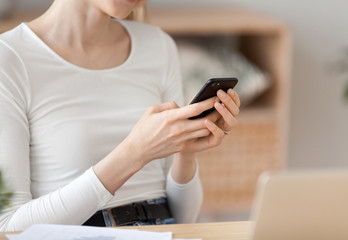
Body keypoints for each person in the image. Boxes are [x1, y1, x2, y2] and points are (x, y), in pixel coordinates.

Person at [0, 0, 240, 231]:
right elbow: (9, 227)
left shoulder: (158, 45)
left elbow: (183, 219)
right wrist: (134, 154)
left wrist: (186, 154)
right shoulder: (10, 58)